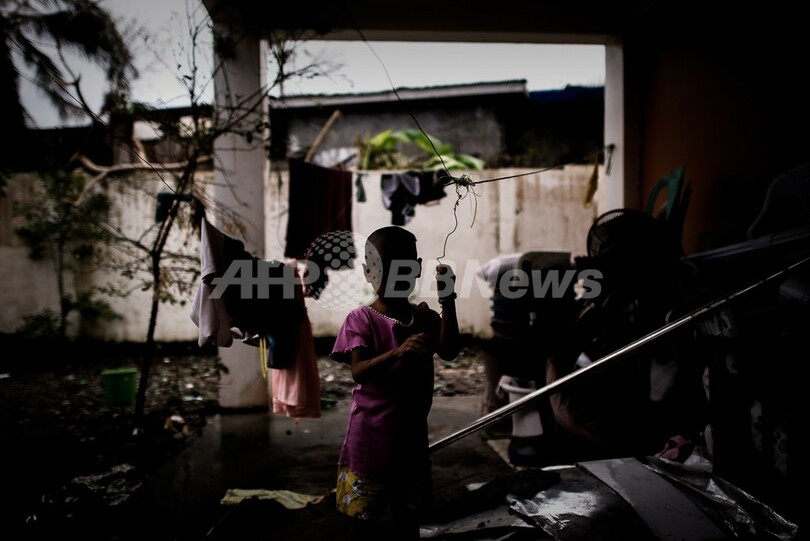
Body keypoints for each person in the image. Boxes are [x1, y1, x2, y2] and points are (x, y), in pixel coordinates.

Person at [330, 225, 460, 541]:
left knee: (409, 520)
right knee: (361, 524)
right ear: (367, 272)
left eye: (403, 268)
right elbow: (359, 371)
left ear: (415, 270)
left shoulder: (425, 317)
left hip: (411, 443)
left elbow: (450, 351)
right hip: (370, 444)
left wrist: (449, 299)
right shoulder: (361, 318)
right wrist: (397, 352)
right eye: (382, 269)